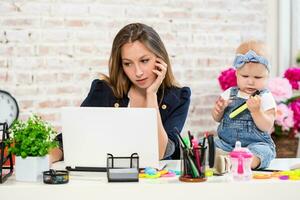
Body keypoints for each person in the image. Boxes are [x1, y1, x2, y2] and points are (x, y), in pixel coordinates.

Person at [50, 23, 191, 163]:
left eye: (144, 61)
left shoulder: (178, 98)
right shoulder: (104, 91)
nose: (138, 72)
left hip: (155, 181)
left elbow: (160, 152)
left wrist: (151, 94)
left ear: (160, 59)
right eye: (128, 63)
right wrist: (46, 159)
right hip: (107, 178)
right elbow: (69, 139)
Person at [212, 40, 276, 171]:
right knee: (208, 144)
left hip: (255, 144)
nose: (251, 81)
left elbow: (267, 126)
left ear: (267, 76)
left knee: (264, 152)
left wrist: (257, 111)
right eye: (245, 76)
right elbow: (217, 119)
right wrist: (219, 110)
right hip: (227, 144)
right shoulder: (229, 93)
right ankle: (226, 159)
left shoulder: (265, 97)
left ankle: (241, 162)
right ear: (236, 73)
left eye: (258, 77)